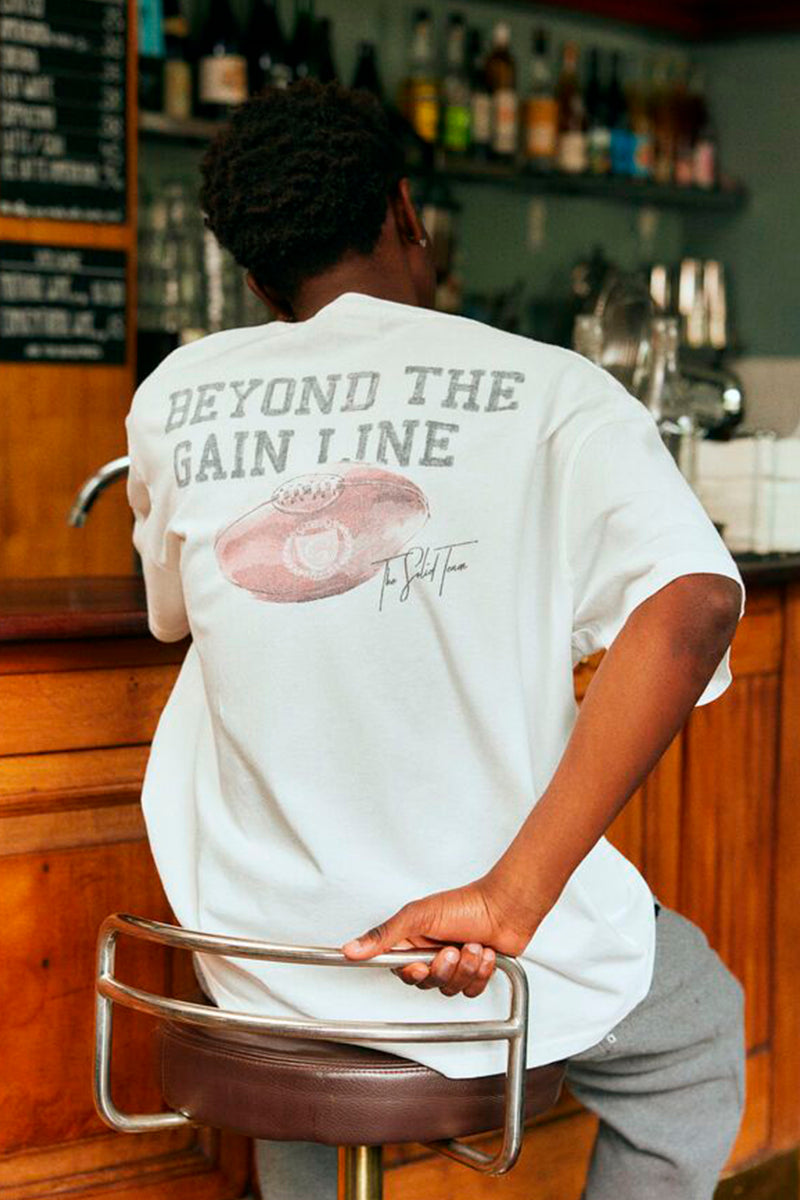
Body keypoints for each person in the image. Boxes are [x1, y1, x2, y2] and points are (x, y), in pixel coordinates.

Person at [125, 79, 746, 1199]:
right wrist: (513, 897)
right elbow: (694, 604)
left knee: (303, 1047)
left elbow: (171, 609)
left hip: (265, 953)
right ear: (407, 213)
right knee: (695, 1038)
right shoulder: (555, 391)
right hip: (483, 950)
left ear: (255, 278)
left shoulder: (177, 394)